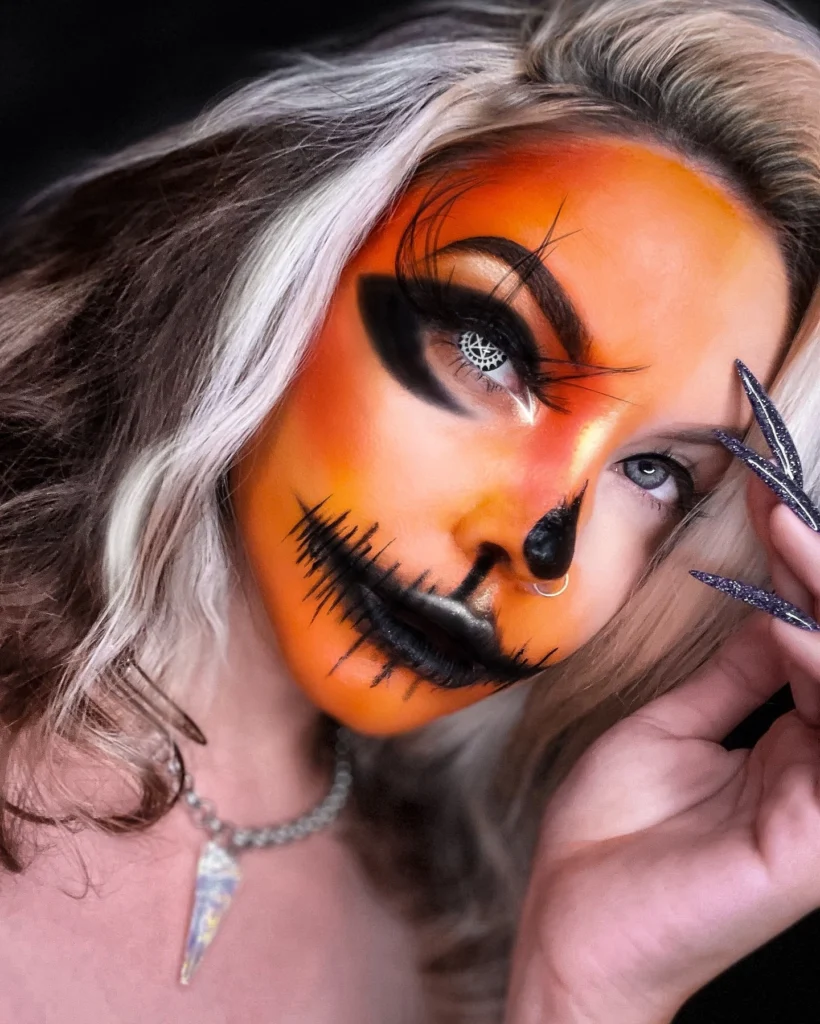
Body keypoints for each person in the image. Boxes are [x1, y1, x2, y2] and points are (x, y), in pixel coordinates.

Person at [1, 0, 819, 1021]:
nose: (535, 543)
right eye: (492, 350)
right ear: (297, 252)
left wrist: (586, 992)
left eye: (656, 473)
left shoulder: (464, 944)